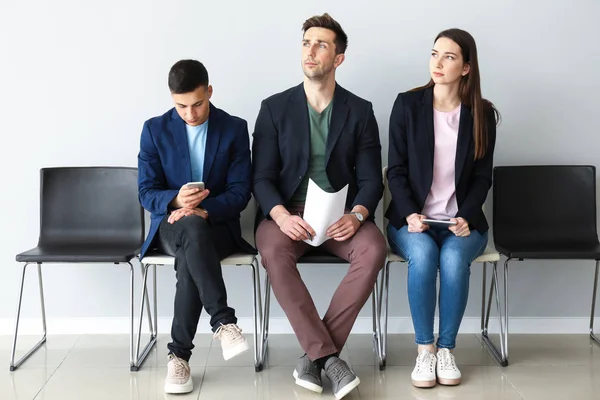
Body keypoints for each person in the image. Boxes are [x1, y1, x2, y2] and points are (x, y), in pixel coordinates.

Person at [252, 13, 386, 400]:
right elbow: (260, 177)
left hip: (340, 217)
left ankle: (314, 358)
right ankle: (330, 359)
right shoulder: (274, 108)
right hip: (287, 215)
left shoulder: (359, 111)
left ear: (338, 58)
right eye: (306, 43)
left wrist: (357, 215)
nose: (310, 51)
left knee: (374, 249)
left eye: (321, 44)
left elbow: (371, 180)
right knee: (274, 251)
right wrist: (279, 215)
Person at [386, 28, 500, 388]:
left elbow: (483, 177)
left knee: (452, 259)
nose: (438, 63)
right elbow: (397, 170)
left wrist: (465, 215)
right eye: (435, 54)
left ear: (466, 67)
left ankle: (446, 348)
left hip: (462, 224)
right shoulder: (407, 105)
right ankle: (425, 351)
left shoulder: (482, 113)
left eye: (449, 57)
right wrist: (409, 214)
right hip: (411, 219)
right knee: (422, 254)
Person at [138, 59, 255, 394]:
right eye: (181, 106)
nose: (190, 114)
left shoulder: (233, 128)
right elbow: (146, 192)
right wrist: (177, 201)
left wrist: (203, 209)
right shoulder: (154, 130)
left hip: (217, 226)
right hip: (171, 225)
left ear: (210, 92)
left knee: (193, 247)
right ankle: (223, 321)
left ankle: (179, 358)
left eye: (197, 104)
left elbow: (240, 191)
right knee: (189, 229)